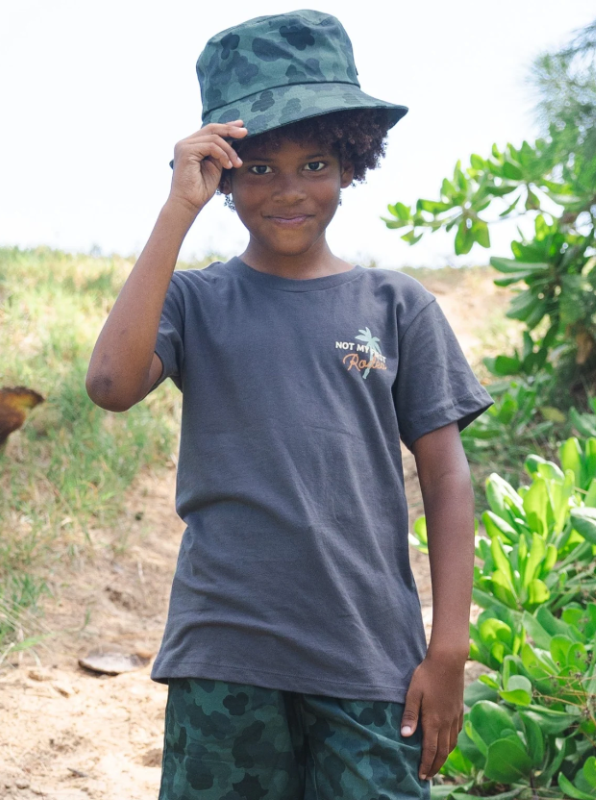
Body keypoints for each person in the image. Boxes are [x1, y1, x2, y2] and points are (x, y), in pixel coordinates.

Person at [86, 10, 493, 799]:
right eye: (260, 168)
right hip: (225, 656)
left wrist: (447, 652)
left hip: (370, 658)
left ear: (351, 163)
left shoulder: (397, 306)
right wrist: (179, 210)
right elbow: (110, 385)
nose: (290, 191)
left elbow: (447, 481)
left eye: (314, 163)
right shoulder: (196, 302)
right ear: (225, 173)